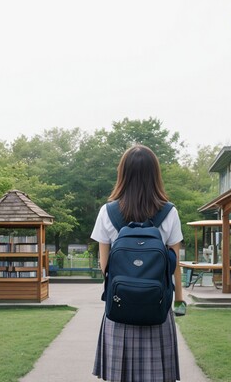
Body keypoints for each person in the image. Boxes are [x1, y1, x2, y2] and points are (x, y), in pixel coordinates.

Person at [91, 144, 184, 382]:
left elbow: (105, 267)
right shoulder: (169, 212)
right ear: (155, 174)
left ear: (123, 173)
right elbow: (174, 265)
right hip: (157, 309)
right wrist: (180, 300)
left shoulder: (107, 212)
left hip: (120, 307)